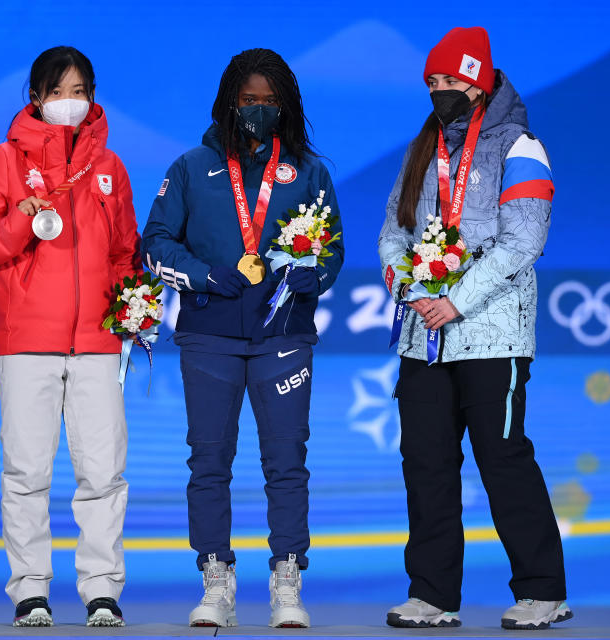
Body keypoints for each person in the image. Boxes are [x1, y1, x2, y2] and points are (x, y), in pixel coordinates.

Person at [141, 48, 344, 629]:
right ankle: (215, 578)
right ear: (230, 101)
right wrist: (206, 276)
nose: (258, 111)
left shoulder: (308, 171)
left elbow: (332, 248)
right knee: (209, 461)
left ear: (286, 106)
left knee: (286, 462)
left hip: (283, 336)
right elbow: (155, 243)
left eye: (269, 102)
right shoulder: (191, 167)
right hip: (209, 336)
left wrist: (313, 274)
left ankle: (286, 579)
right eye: (249, 101)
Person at [378, 27, 571, 630]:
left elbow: (524, 241)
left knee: (502, 456)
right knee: (426, 462)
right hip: (423, 339)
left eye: (452, 81)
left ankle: (543, 590)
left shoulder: (521, 147)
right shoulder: (421, 150)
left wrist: (456, 300)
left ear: (480, 82)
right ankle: (433, 595)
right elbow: (393, 230)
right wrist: (404, 282)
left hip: (493, 337)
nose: (441, 91)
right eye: (432, 83)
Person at [0, 46, 139, 628]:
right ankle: (30, 591)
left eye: (80, 91)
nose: (70, 103)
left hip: (96, 342)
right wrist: (18, 222)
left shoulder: (110, 167)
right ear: (35, 97)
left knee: (103, 473)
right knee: (27, 472)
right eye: (58, 91)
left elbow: (125, 253)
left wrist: (131, 307)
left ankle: (102, 591)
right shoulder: (1, 165)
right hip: (26, 340)